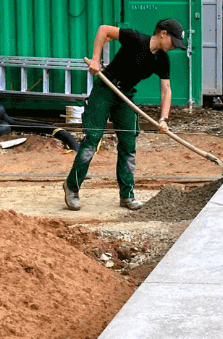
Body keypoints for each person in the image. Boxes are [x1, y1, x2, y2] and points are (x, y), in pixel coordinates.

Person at [64, 18, 184, 212]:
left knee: (128, 143)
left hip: (125, 96)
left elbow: (166, 90)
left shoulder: (162, 59)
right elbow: (104, 30)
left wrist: (164, 119)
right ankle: (71, 187)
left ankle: (127, 195)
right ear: (163, 34)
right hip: (105, 89)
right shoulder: (136, 39)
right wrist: (96, 60)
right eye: (173, 42)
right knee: (92, 139)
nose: (173, 47)